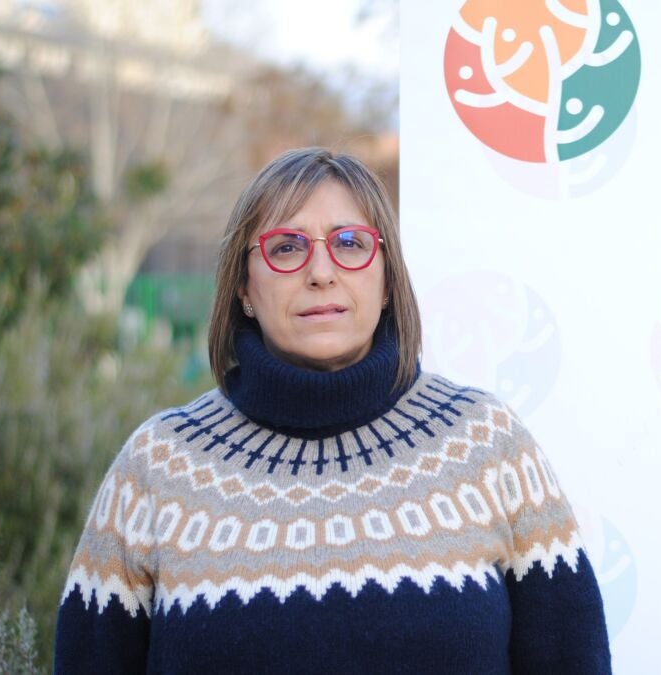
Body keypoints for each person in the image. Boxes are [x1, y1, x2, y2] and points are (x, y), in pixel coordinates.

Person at [54, 148, 612, 673]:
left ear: (387, 279)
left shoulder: (488, 446)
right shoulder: (157, 467)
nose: (321, 271)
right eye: (286, 247)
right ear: (243, 287)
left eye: (349, 243)